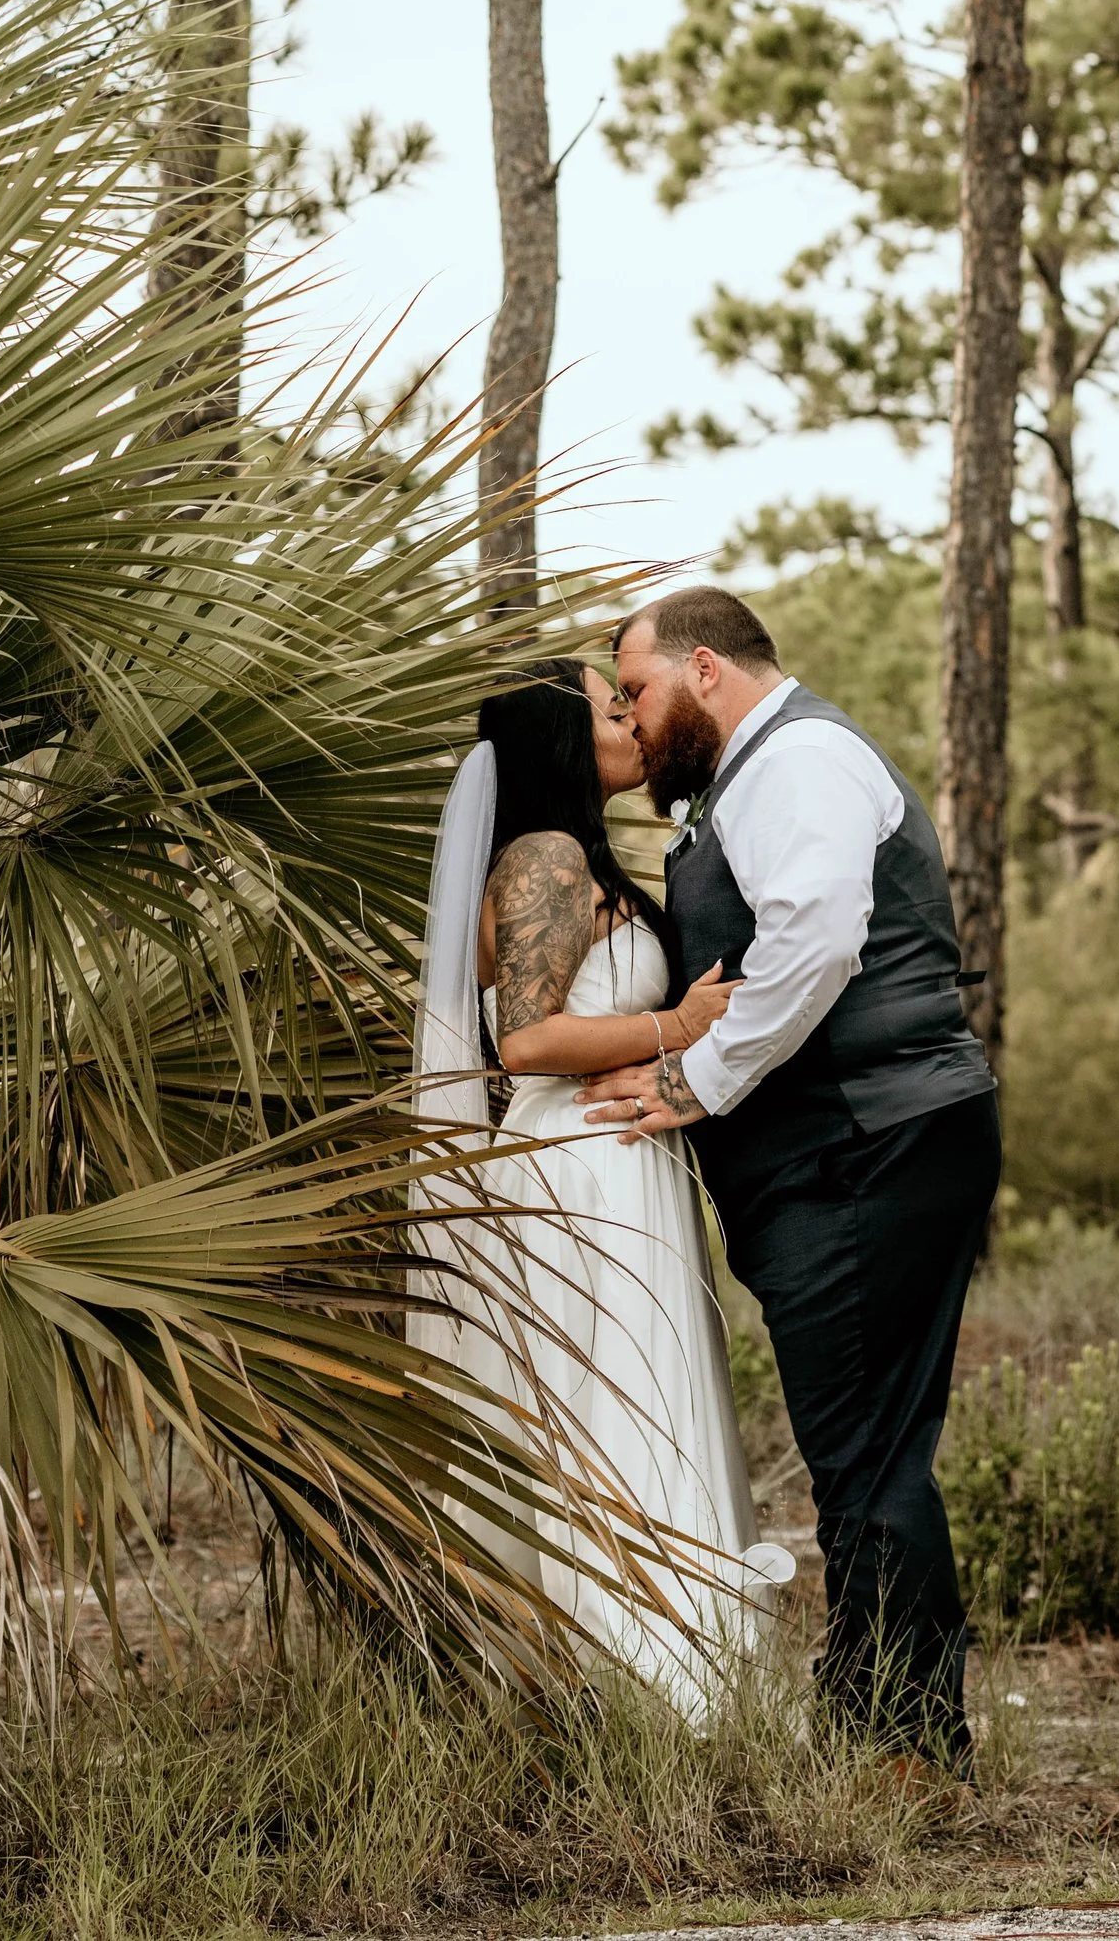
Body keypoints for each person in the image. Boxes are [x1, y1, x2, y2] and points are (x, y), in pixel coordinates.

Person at [583, 585, 1000, 1772]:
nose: (632, 715)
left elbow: (817, 939)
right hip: (851, 1151)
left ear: (703, 667)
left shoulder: (799, 761)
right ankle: (873, 1723)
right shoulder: (746, 782)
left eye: (639, 690)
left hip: (869, 1143)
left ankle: (907, 1752)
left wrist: (696, 1081)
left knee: (866, 1455)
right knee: (866, 1453)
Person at [412, 659, 794, 1708]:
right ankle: (644, 1694)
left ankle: (680, 1685)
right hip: (576, 1174)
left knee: (651, 1403)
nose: (631, 717)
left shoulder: (580, 856)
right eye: (607, 704)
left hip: (620, 1166)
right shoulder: (540, 856)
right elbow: (528, 1041)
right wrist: (679, 1027)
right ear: (556, 736)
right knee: (611, 1414)